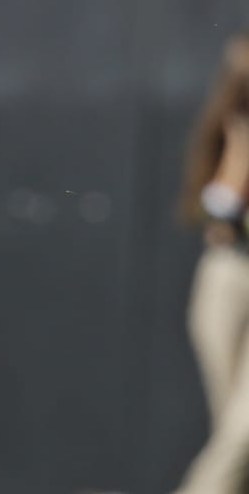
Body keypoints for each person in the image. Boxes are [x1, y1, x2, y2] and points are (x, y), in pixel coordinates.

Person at [174, 31, 249, 494]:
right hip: (231, 275)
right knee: (233, 434)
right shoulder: (231, 129)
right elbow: (219, 217)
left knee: (242, 434)